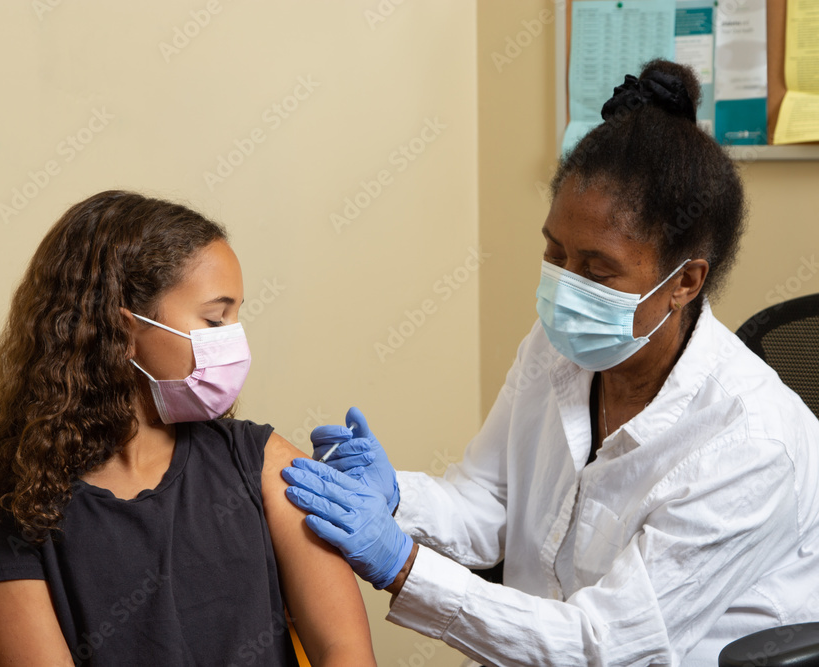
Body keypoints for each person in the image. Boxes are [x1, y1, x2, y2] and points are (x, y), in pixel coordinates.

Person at [281, 59, 819, 666]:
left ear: (685, 282)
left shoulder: (751, 446)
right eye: (555, 253)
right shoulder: (559, 345)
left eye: (597, 270)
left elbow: (601, 646)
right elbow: (491, 502)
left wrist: (402, 565)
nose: (565, 288)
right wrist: (396, 497)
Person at [0, 191, 376, 666]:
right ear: (123, 330)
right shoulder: (10, 505)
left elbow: (344, 650)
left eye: (235, 317)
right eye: (215, 319)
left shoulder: (260, 460)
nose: (234, 341)